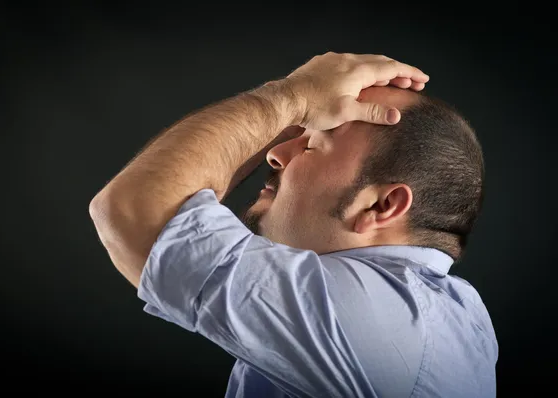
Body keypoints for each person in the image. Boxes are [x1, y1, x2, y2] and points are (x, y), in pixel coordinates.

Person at [90, 53, 498, 397]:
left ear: (381, 205)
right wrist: (298, 111)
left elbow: (136, 212)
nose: (275, 153)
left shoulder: (374, 319)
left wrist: (291, 96)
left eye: (312, 143)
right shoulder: (429, 311)